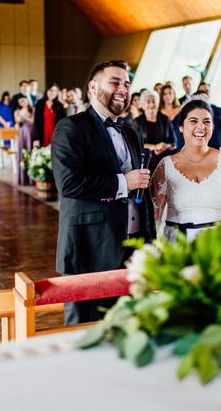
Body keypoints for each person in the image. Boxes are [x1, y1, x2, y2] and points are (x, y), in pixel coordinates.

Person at [51, 60, 155, 324]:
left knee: (129, 327)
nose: (123, 89)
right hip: (90, 245)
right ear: (93, 87)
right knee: (85, 329)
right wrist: (124, 182)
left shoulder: (131, 133)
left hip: (132, 246)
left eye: (127, 84)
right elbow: (69, 184)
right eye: (115, 82)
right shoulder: (71, 127)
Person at [151, 95, 221, 243]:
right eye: (193, 121)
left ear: (212, 127)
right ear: (181, 127)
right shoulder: (166, 165)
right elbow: (154, 215)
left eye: (206, 122)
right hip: (179, 245)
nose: (201, 127)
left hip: (220, 244)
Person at [133, 90, 176, 173]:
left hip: (165, 163)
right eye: (148, 102)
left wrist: (165, 146)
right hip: (145, 164)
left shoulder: (165, 119)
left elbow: (174, 142)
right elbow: (135, 145)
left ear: (158, 103)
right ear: (142, 105)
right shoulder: (137, 122)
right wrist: (155, 146)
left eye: (153, 101)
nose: (151, 104)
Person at [32, 84, 65, 148]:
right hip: (42, 132)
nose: (52, 92)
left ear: (57, 93)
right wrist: (35, 138)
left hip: (55, 133)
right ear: (47, 91)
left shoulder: (60, 106)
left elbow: (62, 124)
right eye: (50, 90)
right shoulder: (40, 103)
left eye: (55, 91)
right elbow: (36, 121)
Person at [14, 94, 34, 186]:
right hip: (22, 133)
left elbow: (33, 121)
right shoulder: (18, 111)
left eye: (24, 100)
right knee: (22, 153)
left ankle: (32, 179)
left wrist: (23, 116)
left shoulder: (32, 109)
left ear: (27, 100)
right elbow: (18, 125)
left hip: (31, 132)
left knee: (30, 152)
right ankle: (23, 179)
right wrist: (16, 119)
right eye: (20, 101)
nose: (23, 102)